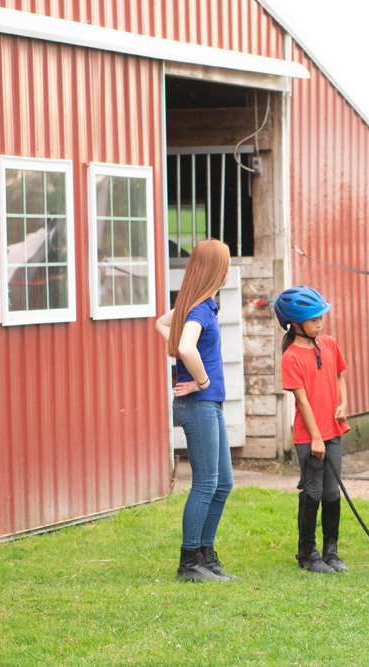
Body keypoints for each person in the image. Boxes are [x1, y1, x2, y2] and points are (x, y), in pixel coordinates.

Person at [155, 239, 236, 582]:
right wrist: (200, 380)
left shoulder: (199, 304)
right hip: (199, 402)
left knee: (223, 483)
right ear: (216, 268)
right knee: (206, 483)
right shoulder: (199, 308)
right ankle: (189, 564)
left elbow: (162, 323)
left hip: (209, 403)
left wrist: (194, 375)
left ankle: (205, 554)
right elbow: (186, 345)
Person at [275, 286, 351, 574]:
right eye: (313, 319)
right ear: (295, 323)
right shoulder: (291, 357)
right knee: (314, 492)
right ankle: (307, 553)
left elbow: (339, 377)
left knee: (333, 493)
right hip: (310, 438)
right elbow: (302, 401)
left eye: (321, 317)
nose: (320, 323)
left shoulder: (329, 344)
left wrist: (343, 403)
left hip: (333, 431)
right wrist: (317, 437)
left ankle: (331, 552)